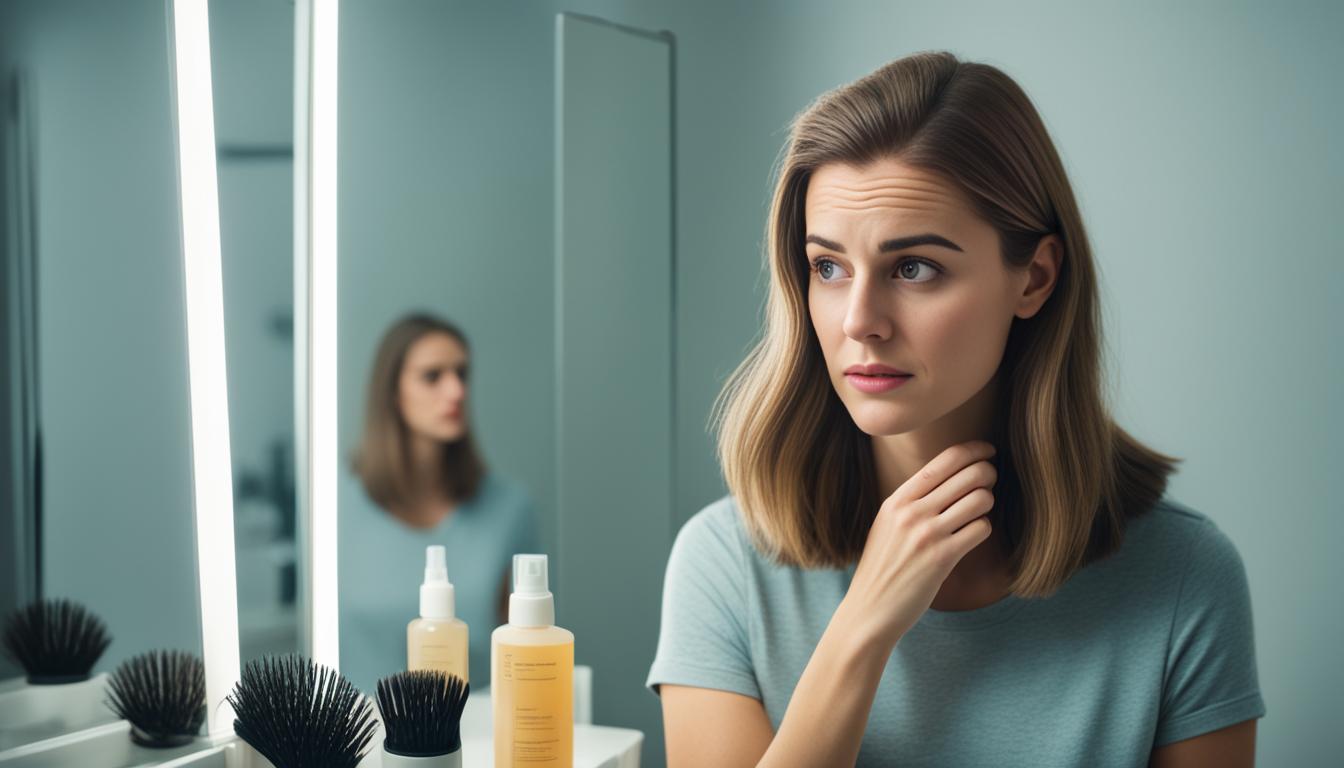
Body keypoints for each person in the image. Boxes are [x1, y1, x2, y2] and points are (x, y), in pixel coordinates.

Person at [647, 52, 1264, 767]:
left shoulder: (1184, 575)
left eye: (914, 269)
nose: (859, 320)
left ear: (1033, 278)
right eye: (828, 267)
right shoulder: (725, 565)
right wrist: (862, 631)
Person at [339, 312, 539, 692]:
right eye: (433, 376)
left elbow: (521, 647)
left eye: (461, 374)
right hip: (359, 729)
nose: (456, 391)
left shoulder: (510, 509)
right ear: (392, 392)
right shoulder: (334, 508)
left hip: (475, 726)